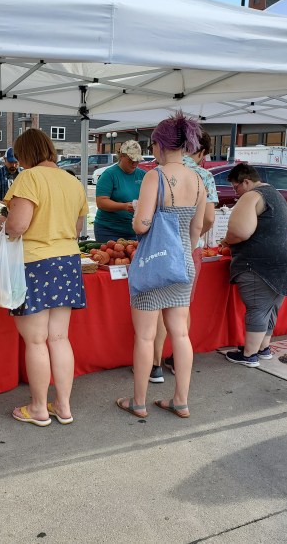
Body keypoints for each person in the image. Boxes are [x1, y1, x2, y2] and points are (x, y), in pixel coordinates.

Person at [116, 113, 206, 420]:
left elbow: (141, 225)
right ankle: (180, 400)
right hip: (183, 262)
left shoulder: (155, 176)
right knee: (180, 334)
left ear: (160, 144)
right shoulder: (199, 179)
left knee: (145, 336)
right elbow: (197, 229)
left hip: (154, 265)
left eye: (153, 144)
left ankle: (139, 401)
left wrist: (136, 217)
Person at [3, 129, 88, 427]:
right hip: (68, 261)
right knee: (59, 338)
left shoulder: (29, 178)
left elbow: (18, 225)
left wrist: (4, 224)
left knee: (36, 340)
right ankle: (63, 406)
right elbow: (77, 228)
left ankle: (39, 408)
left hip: (35, 263)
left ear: (25, 154)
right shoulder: (73, 181)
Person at [221, 163, 287, 367]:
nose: (235, 193)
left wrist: (226, 241)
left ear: (246, 182)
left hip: (262, 263)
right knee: (271, 306)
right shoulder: (274, 193)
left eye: (236, 187)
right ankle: (263, 348)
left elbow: (240, 232)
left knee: (258, 307)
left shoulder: (252, 195)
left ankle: (249, 355)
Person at [161, 131, 219, 378]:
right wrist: (190, 241)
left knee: (157, 308)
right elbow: (209, 218)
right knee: (181, 309)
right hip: (189, 248)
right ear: (202, 152)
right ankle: (177, 363)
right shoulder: (204, 176)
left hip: (160, 247)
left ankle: (153, 365)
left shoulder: (160, 171)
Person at [93, 140, 146, 242]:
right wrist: (124, 206)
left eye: (137, 160)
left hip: (135, 230)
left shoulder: (143, 175)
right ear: (121, 156)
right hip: (109, 230)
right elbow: (101, 202)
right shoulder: (109, 174)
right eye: (131, 160)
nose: (135, 163)